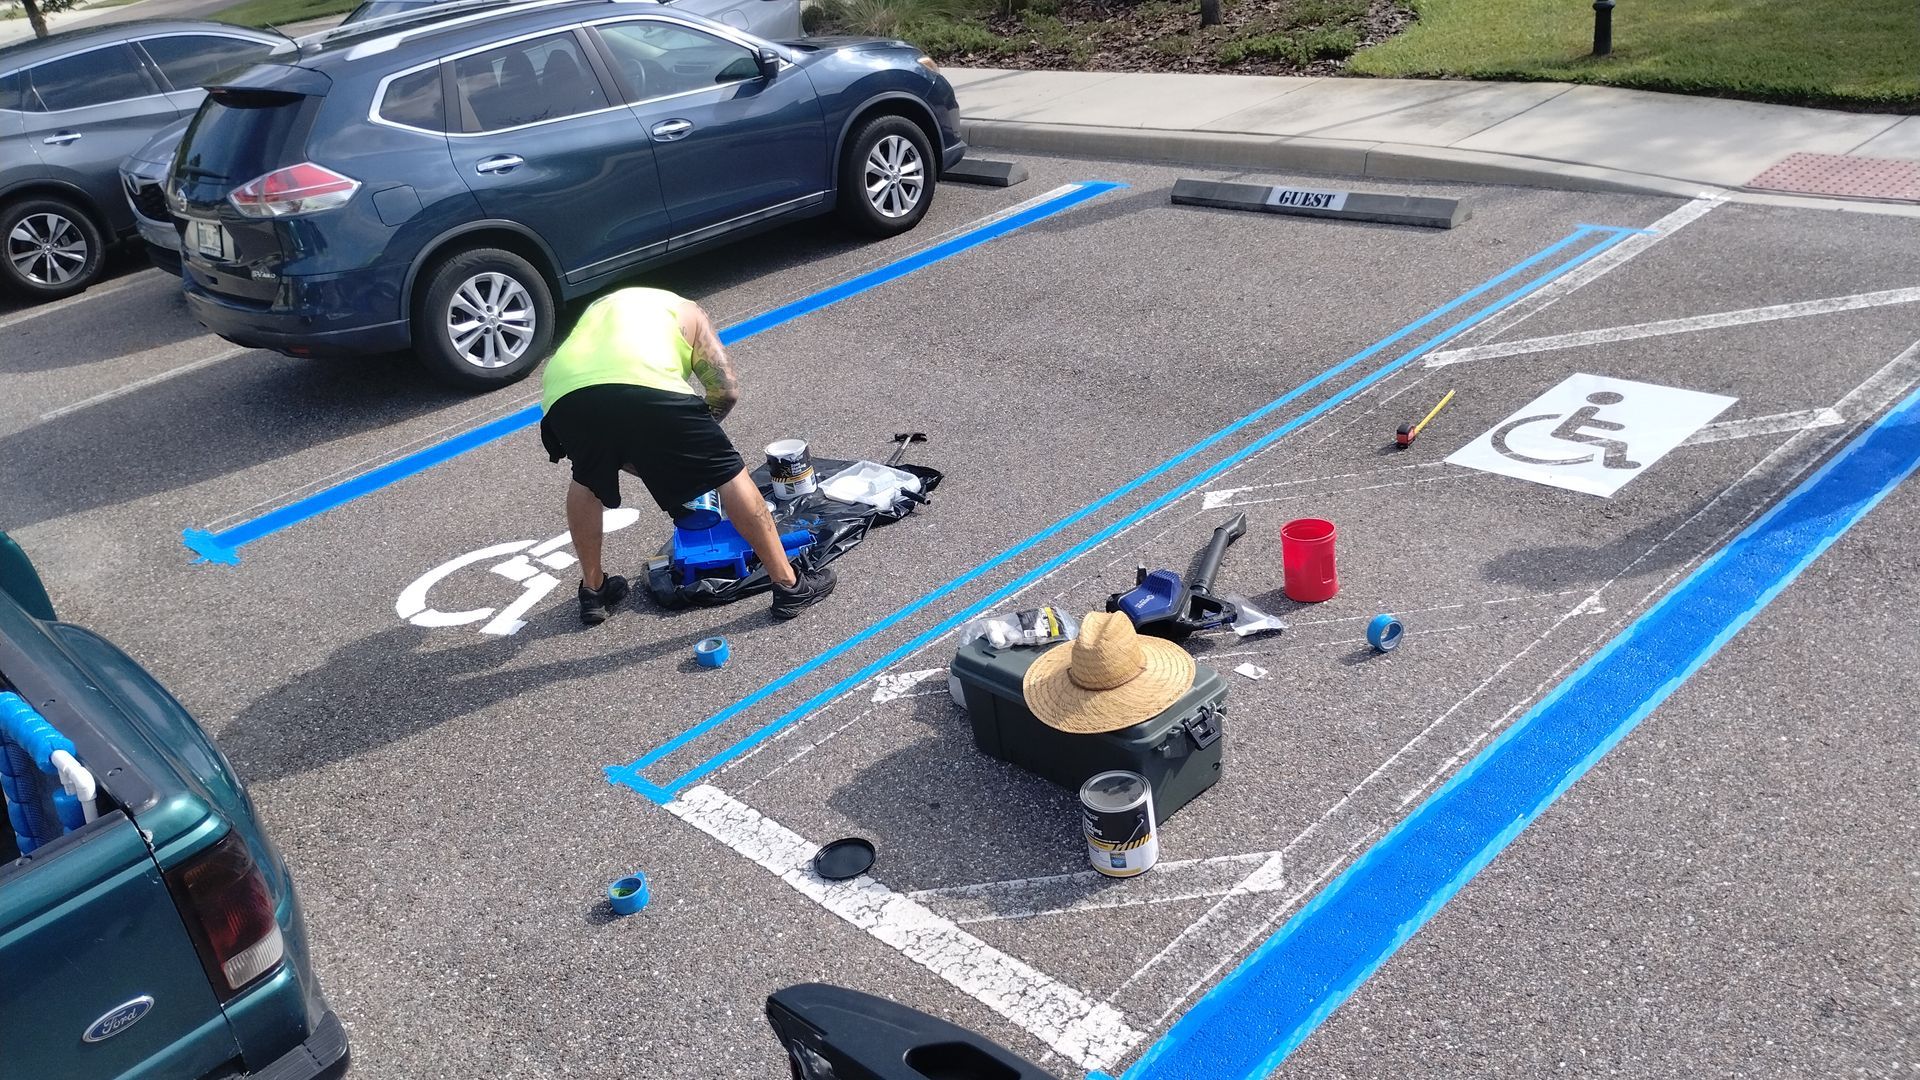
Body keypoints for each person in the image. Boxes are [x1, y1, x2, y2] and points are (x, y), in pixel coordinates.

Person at [538, 286, 836, 625]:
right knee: (728, 473)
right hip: (643, 382)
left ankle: (593, 591)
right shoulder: (689, 311)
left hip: (563, 395)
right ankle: (790, 585)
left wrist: (665, 457)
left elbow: (621, 430)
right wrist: (695, 455)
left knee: (586, 478)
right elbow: (725, 390)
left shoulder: (600, 308)